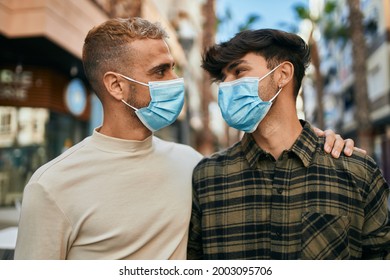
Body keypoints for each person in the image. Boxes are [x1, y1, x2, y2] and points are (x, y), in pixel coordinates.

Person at [14, 18, 355, 260]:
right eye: (161, 71)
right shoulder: (51, 187)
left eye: (173, 68)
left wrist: (323, 143)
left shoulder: (191, 165)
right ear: (116, 86)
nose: (175, 81)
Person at [187, 29, 390, 260]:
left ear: (282, 73)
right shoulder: (207, 177)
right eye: (222, 78)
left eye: (239, 71)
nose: (225, 86)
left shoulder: (357, 171)